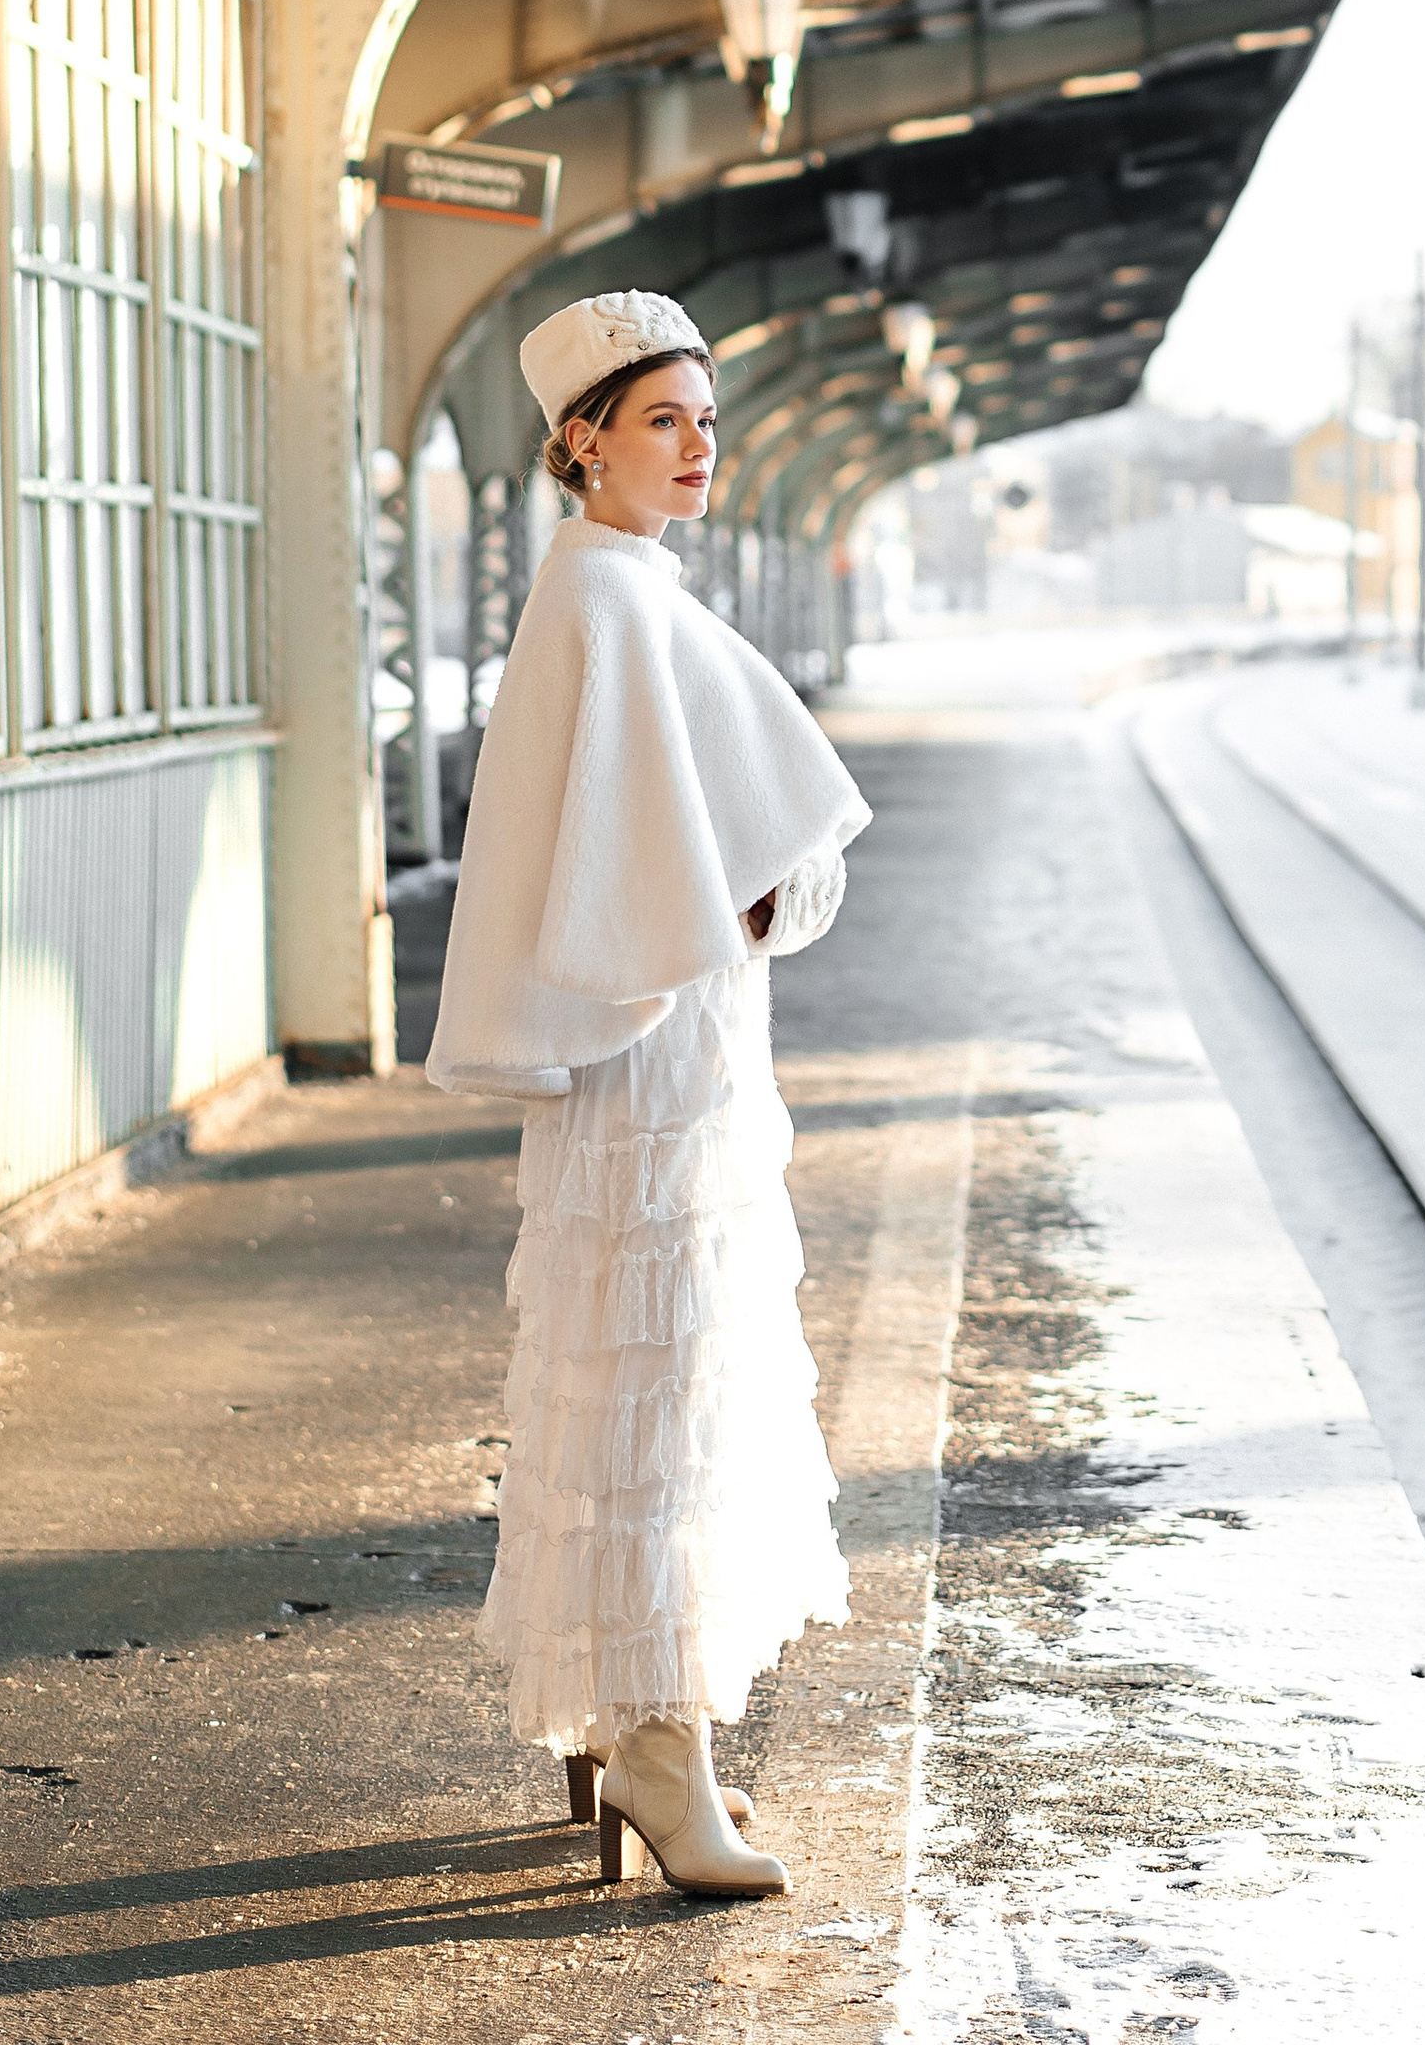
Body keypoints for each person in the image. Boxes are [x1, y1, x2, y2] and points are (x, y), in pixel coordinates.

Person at [427, 287, 870, 1896]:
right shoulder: (610, 600)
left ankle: (631, 1730)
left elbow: (650, 836)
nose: (697, 447)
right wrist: (730, 899)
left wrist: (722, 891)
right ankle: (658, 1751)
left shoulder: (612, 591)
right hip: (654, 1057)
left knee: (646, 1379)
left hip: (673, 1050)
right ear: (582, 442)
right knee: (660, 1386)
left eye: (705, 421)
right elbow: (648, 863)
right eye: (662, 421)